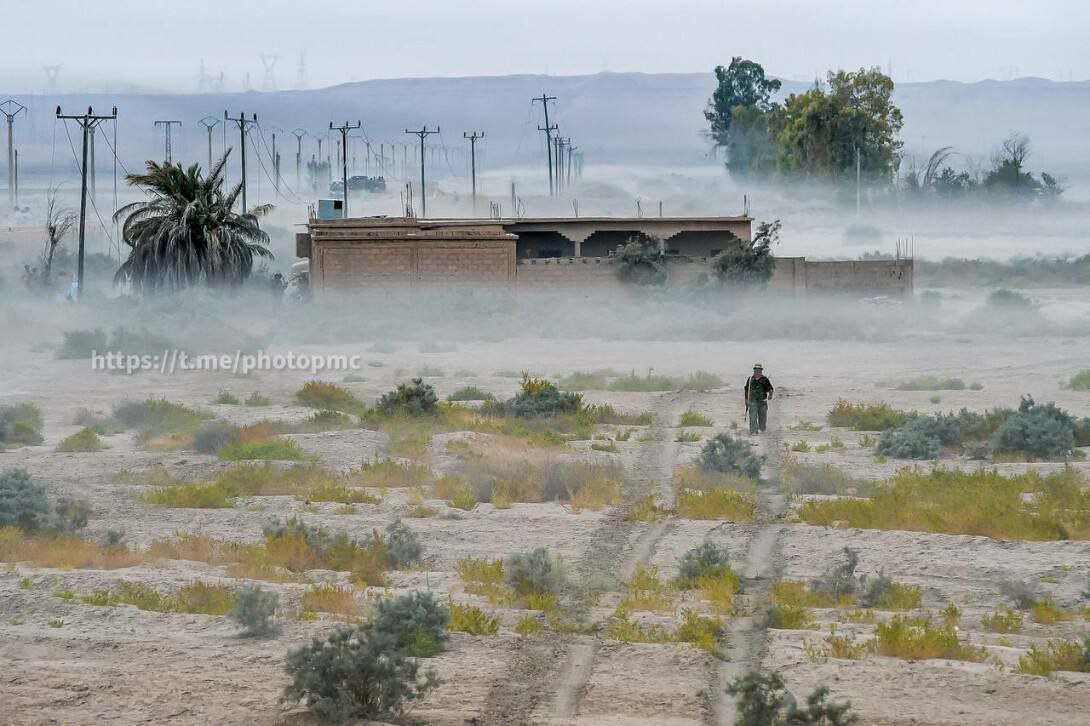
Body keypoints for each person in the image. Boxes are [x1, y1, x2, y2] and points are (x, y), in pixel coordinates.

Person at [744, 363, 774, 435]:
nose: (757, 371)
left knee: (762, 418)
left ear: (761, 370)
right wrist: (746, 400)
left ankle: (762, 429)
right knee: (752, 417)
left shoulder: (765, 379)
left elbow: (770, 389)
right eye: (756, 369)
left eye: (759, 369)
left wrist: (770, 395)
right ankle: (753, 431)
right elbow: (746, 390)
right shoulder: (750, 379)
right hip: (752, 401)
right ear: (754, 370)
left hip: (762, 402)